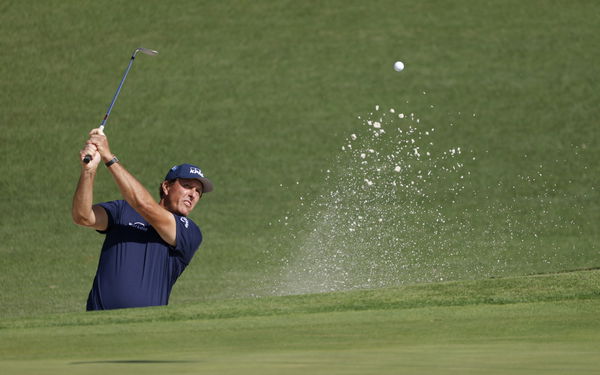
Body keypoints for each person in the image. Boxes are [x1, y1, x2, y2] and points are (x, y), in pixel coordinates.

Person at [72, 128, 213, 310]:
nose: (193, 195)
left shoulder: (189, 232)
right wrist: (88, 172)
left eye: (198, 192)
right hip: (97, 324)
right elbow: (82, 217)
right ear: (166, 187)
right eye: (187, 186)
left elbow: (144, 205)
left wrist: (109, 157)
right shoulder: (123, 210)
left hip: (144, 330)